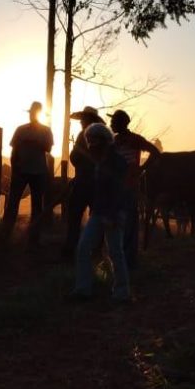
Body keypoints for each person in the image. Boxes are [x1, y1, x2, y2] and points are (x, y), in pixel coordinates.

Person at [72, 123, 130, 302]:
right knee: (83, 248)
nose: (90, 144)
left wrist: (112, 216)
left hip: (113, 213)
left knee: (115, 252)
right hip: (98, 213)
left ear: (104, 140)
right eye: (88, 140)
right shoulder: (99, 161)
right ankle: (83, 290)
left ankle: (122, 293)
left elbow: (119, 191)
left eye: (93, 140)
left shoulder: (117, 162)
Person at [108, 109, 161, 267]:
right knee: (116, 223)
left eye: (113, 121)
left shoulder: (135, 139)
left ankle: (129, 259)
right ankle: (118, 257)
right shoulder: (113, 142)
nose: (111, 124)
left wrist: (141, 169)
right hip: (115, 188)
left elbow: (155, 152)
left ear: (121, 123)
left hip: (130, 187)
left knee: (130, 222)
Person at [0, 101, 54, 248]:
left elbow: (48, 148)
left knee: (36, 206)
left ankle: (33, 240)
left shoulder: (45, 131)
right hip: (22, 171)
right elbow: (14, 151)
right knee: (13, 203)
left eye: (34, 112)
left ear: (38, 114)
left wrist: (34, 142)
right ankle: (4, 237)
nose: (32, 115)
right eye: (31, 113)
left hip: (38, 172)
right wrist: (15, 167)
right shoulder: (21, 130)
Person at [61, 106, 105, 257]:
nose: (81, 122)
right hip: (94, 183)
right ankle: (95, 251)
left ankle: (72, 249)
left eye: (83, 119)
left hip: (86, 182)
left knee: (75, 215)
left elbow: (75, 157)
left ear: (89, 119)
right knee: (96, 217)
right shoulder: (103, 136)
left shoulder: (85, 135)